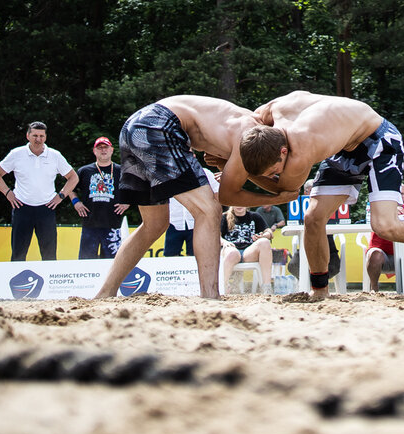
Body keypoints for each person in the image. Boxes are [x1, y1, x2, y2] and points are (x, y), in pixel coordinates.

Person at [225, 90, 404, 297]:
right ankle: (320, 290)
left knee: (385, 225)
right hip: (344, 147)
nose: (274, 176)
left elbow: (286, 192)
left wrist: (234, 173)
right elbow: (244, 127)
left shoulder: (302, 147)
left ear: (282, 152)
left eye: (275, 171)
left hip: (379, 141)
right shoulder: (269, 112)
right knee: (313, 218)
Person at [93, 96, 297, 299]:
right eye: (274, 172)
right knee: (209, 211)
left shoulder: (244, 128)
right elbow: (227, 195)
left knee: (154, 224)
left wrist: (276, 192)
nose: (273, 177)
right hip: (159, 125)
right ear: (280, 150)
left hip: (133, 126)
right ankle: (210, 295)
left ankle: (105, 292)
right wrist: (275, 199)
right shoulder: (248, 135)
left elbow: (246, 172)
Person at [0, 121, 79, 261]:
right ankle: (16, 281)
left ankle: (49, 282)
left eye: (41, 136)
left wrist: (60, 196)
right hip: (22, 207)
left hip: (46, 208)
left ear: (46, 137)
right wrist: (8, 193)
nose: (38, 139)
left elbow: (73, 177)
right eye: (35, 135)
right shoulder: (16, 154)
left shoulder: (55, 155)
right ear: (28, 136)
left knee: (49, 254)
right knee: (18, 253)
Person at [72, 137, 129, 259]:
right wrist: (76, 202)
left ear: (112, 150)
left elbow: (134, 188)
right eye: (100, 148)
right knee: (86, 262)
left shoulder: (121, 170)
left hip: (112, 223)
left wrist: (127, 202)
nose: (103, 150)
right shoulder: (84, 171)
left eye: (106, 147)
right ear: (94, 151)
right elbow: (70, 188)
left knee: (112, 262)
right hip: (90, 223)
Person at [286, 178, 341, 279]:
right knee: (293, 266)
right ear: (306, 192)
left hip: (329, 250)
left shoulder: (328, 206)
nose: (314, 194)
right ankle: (308, 285)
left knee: (333, 267)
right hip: (304, 250)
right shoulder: (299, 208)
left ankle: (316, 285)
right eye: (312, 191)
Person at [164, 168, 219, 257]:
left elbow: (217, 191)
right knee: (171, 257)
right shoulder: (166, 173)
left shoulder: (204, 172)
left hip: (197, 221)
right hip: (173, 221)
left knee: (195, 256)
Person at [221, 206, 273, 293]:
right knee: (232, 253)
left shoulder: (255, 216)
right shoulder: (224, 217)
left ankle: (266, 287)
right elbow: (216, 237)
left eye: (241, 203)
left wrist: (263, 236)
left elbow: (269, 232)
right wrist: (224, 243)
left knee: (265, 242)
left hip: (249, 252)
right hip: (231, 250)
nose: (239, 206)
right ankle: (223, 286)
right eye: (236, 203)